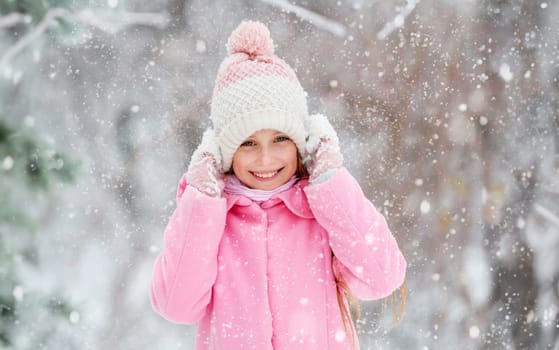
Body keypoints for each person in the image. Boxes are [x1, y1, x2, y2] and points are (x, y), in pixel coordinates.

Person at [149, 20, 406, 350]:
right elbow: (177, 306)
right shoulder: (212, 218)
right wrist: (202, 200)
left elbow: (381, 276)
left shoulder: (321, 211)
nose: (266, 159)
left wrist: (330, 183)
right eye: (248, 143)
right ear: (224, 153)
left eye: (280, 138)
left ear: (300, 142)